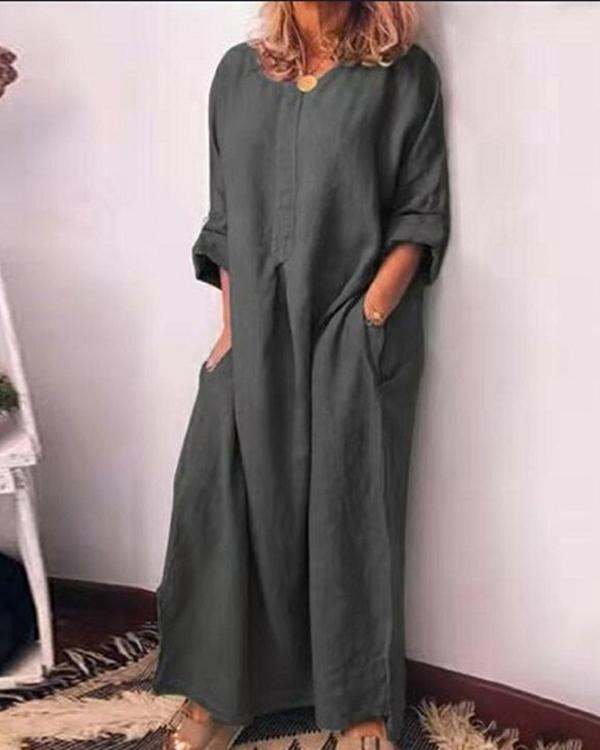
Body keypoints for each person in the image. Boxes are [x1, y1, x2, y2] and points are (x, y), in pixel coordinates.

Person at [152, 2, 450, 749]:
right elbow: (224, 220)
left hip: (352, 327)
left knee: (350, 502)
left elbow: (419, 213)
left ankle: (359, 703)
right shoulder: (237, 75)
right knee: (223, 493)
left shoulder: (403, 76)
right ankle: (220, 692)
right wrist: (232, 329)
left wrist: (370, 317)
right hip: (254, 326)